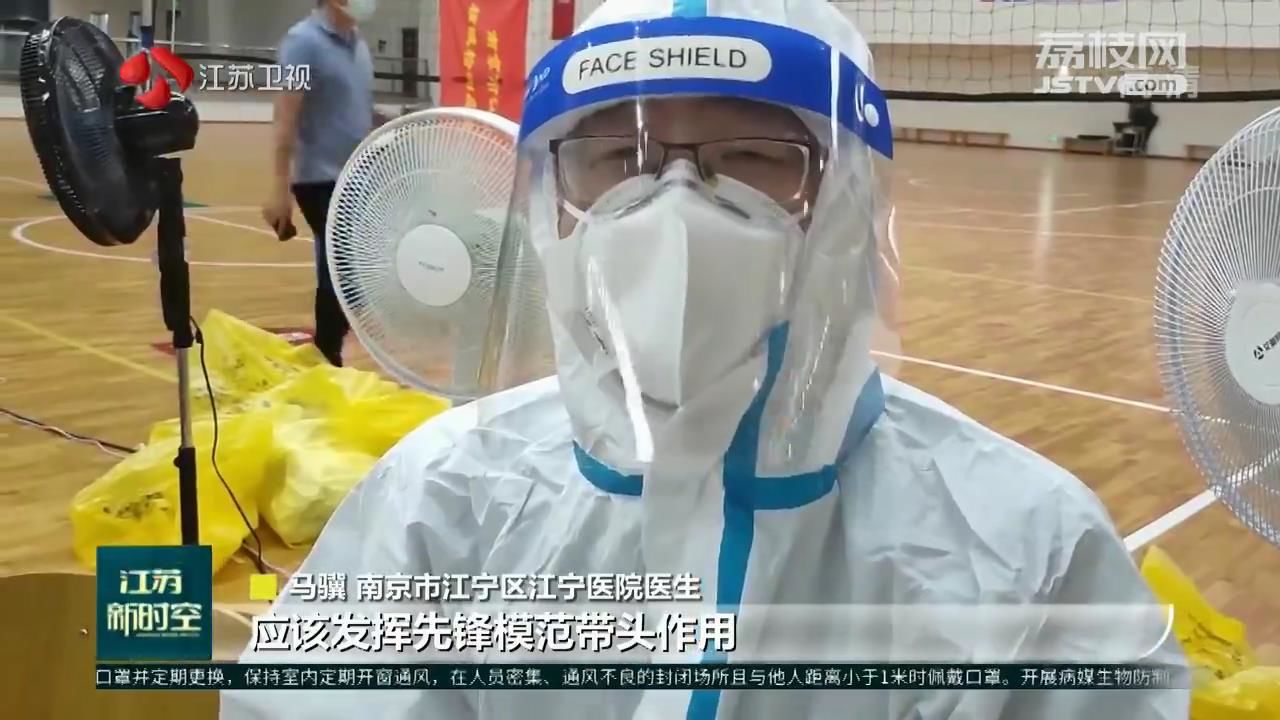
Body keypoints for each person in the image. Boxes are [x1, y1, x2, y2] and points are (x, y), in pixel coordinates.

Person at [223, 0, 1190, 718]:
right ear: (553, 205)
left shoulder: (1026, 552)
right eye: (617, 159)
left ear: (849, 205)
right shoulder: (438, 507)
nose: (675, 209)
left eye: (756, 157)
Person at [262, 0, 389, 367]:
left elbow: (357, 109)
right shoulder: (302, 43)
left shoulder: (358, 43)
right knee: (346, 269)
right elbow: (285, 116)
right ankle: (327, 354)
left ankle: (326, 356)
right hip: (318, 178)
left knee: (338, 272)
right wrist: (279, 188)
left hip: (358, 176)